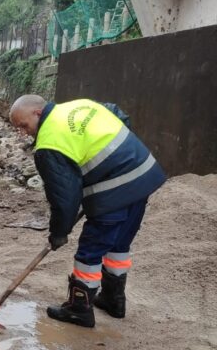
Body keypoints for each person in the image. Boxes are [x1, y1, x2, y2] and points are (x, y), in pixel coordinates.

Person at [9, 95, 166, 327]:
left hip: (114, 188)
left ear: (37, 113)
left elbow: (64, 198)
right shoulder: (80, 105)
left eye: (23, 125)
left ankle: (79, 308)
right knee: (118, 244)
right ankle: (114, 300)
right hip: (143, 174)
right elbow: (119, 114)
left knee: (91, 250)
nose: (24, 132)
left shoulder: (49, 144)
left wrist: (58, 233)